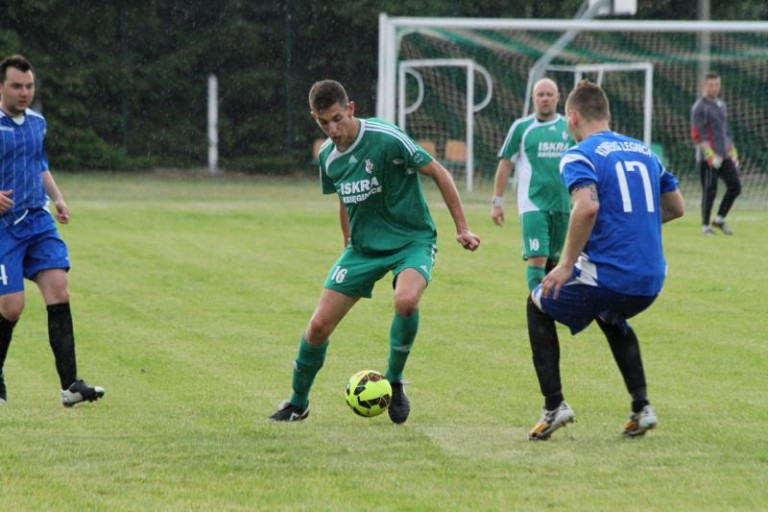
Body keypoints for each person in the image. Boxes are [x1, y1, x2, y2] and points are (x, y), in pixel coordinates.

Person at [270, 79, 480, 423]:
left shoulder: (386, 137)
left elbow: (438, 172)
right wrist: (347, 241)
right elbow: (344, 198)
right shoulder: (327, 157)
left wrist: (462, 228)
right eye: (324, 123)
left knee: (406, 301)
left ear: (350, 108)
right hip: (364, 249)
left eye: (338, 118)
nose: (333, 129)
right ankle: (297, 402)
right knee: (319, 325)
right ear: (315, 118)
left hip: (412, 239)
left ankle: (394, 381)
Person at [525, 80, 684, 440]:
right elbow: (677, 207)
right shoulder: (645, 151)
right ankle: (641, 408)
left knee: (537, 304)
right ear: (607, 115)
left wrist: (565, 265)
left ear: (573, 117)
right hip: (652, 279)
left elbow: (587, 207)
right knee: (609, 313)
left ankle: (554, 406)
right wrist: (634, 223)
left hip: (611, 274)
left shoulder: (580, 153)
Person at [0, 54, 104, 407]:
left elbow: (39, 165)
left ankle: (70, 386)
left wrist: (58, 198)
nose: (24, 92)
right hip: (4, 229)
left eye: (28, 86)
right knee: (12, 307)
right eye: (16, 86)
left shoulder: (37, 123)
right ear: (2, 87)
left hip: (37, 221)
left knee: (59, 290)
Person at [491, 78, 573, 291]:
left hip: (563, 205)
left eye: (549, 94)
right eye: (540, 94)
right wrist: (497, 201)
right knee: (537, 257)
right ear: (533, 98)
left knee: (554, 262)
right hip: (533, 204)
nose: (545, 98)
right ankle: (537, 312)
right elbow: (505, 164)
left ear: (557, 97)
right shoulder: (521, 127)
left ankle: (548, 309)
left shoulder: (569, 127)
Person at [691, 72, 741, 236]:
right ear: (704, 86)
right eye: (711, 85)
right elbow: (697, 134)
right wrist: (709, 154)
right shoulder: (700, 107)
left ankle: (719, 219)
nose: (714, 88)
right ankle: (705, 226)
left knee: (735, 186)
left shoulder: (721, 105)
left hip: (724, 155)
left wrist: (731, 149)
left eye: (717, 85)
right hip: (708, 158)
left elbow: (724, 131)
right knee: (710, 190)